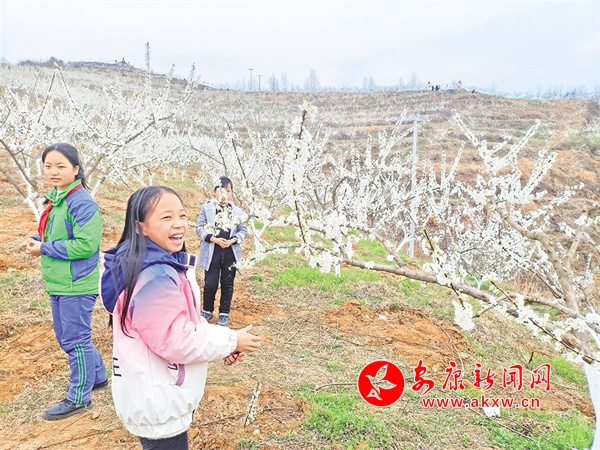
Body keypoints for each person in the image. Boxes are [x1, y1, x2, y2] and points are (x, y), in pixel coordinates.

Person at [100, 186, 261, 449]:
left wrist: (223, 345)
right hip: (160, 400)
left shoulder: (145, 264)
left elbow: (183, 324)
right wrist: (232, 341)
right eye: (166, 217)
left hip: (153, 392)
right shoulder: (155, 276)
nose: (179, 224)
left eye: (182, 215)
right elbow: (177, 340)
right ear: (140, 227)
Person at [21, 143, 107, 421]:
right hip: (60, 281)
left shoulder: (82, 203)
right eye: (48, 166)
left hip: (76, 283)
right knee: (69, 337)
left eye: (61, 166)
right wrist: (38, 240)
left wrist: (44, 248)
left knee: (75, 339)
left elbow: (85, 245)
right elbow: (57, 234)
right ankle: (98, 376)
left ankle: (79, 397)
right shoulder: (58, 198)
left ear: (76, 169)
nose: (53, 172)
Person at [196, 176, 248, 327]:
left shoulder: (237, 211)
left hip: (230, 252)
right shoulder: (207, 208)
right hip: (212, 252)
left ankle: (224, 313)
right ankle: (207, 310)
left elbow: (243, 230)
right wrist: (214, 239)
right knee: (210, 284)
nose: (224, 194)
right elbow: (199, 228)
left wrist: (233, 240)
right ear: (214, 191)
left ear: (232, 193)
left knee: (227, 283)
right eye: (221, 190)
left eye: (228, 191)